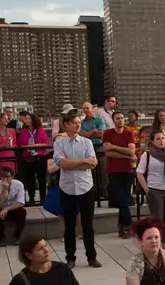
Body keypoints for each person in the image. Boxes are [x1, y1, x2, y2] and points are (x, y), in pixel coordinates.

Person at [53, 111, 102, 268]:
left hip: (85, 186)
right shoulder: (59, 143)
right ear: (66, 124)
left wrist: (73, 162)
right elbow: (61, 164)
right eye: (74, 122)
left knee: (88, 225)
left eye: (79, 122)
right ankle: (70, 257)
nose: (78, 125)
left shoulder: (86, 143)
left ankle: (91, 257)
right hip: (67, 188)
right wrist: (83, 161)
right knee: (69, 225)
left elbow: (93, 164)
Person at [102, 110, 138, 236]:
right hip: (113, 171)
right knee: (122, 200)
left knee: (124, 199)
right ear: (113, 120)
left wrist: (115, 147)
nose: (120, 120)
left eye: (122, 118)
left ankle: (122, 227)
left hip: (127, 170)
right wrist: (126, 154)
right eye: (117, 118)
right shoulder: (107, 133)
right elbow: (108, 152)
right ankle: (129, 225)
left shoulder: (129, 133)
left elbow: (131, 152)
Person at [137, 128, 165, 241]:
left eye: (163, 138)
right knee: (157, 219)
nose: (161, 141)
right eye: (158, 139)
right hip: (154, 190)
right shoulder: (148, 154)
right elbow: (139, 173)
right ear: (153, 141)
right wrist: (146, 190)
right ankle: (157, 244)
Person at [0, 164, 28, 245]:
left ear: (12, 176)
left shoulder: (18, 184)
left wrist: (7, 209)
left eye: (7, 176)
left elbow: (21, 203)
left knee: (23, 212)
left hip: (13, 209)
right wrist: (3, 191)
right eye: (2, 176)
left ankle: (16, 237)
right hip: (0, 208)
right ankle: (1, 238)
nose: (4, 179)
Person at [16, 112, 50, 204]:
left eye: (29, 119)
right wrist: (27, 146)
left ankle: (43, 198)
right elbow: (20, 144)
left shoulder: (40, 130)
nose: (27, 120)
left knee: (42, 179)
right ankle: (31, 199)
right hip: (28, 158)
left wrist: (36, 145)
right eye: (26, 119)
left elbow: (46, 143)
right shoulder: (23, 131)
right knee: (30, 180)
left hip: (40, 157)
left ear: (33, 120)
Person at [79, 101, 109, 205]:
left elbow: (102, 133)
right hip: (88, 148)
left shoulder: (99, 119)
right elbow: (83, 136)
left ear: (92, 109)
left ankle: (104, 193)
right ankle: (95, 194)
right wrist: (93, 131)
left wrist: (89, 133)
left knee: (102, 170)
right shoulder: (82, 122)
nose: (86, 110)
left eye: (88, 108)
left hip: (99, 147)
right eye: (84, 108)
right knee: (91, 171)